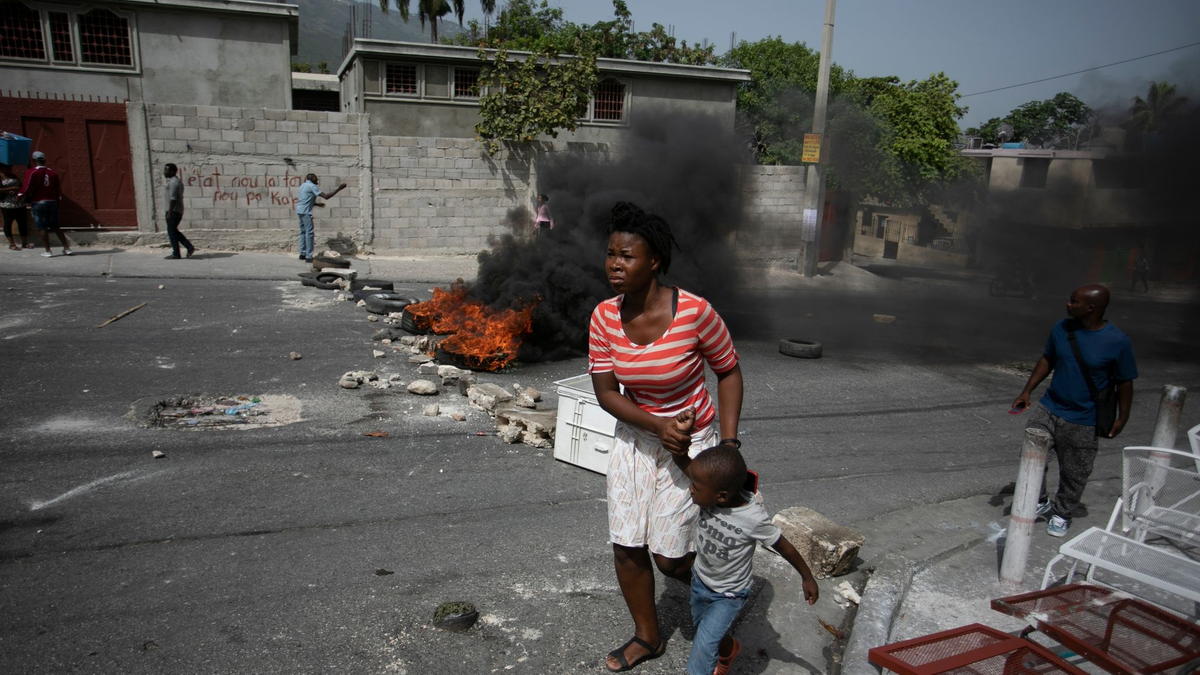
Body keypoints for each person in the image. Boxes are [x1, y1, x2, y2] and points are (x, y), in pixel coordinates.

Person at [588, 201, 744, 672]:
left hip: (693, 445)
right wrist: (655, 425)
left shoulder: (695, 312)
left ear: (653, 261)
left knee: (669, 557)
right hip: (637, 438)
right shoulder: (603, 317)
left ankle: (721, 598)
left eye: (627, 256)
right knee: (627, 544)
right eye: (611, 254)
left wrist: (729, 446)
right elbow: (604, 391)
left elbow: (730, 371)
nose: (615, 264)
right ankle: (648, 637)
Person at [667, 433, 818, 675]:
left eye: (695, 487)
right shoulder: (712, 488)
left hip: (728, 595)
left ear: (722, 496)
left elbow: (784, 546)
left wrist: (807, 577)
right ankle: (728, 651)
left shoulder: (753, 518)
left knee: (703, 647)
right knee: (706, 631)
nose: (690, 490)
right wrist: (677, 445)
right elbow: (685, 464)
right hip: (699, 581)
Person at [1012, 284, 1137, 538]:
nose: (1068, 304)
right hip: (1049, 407)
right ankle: (1039, 499)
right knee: (1031, 457)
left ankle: (1062, 512)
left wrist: (1122, 417)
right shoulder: (1062, 328)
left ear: (1091, 308)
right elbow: (1047, 359)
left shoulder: (1118, 341)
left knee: (1075, 472)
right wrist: (1027, 391)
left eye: (1074, 301)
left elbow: (1125, 381)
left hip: (1084, 419)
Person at [17, 151, 72, 257]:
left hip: (38, 202)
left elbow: (27, 186)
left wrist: (19, 196)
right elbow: (58, 190)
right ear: (44, 160)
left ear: (34, 160)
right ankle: (66, 248)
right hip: (52, 202)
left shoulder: (31, 172)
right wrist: (57, 201)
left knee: (41, 227)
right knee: (56, 226)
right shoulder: (53, 173)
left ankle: (48, 250)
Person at [295, 173, 346, 263]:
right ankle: (309, 256)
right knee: (309, 233)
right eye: (316, 179)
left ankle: (302, 254)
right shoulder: (312, 186)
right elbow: (326, 197)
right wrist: (339, 189)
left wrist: (317, 204)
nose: (317, 181)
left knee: (303, 232)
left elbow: (305, 199)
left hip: (300, 211)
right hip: (306, 212)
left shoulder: (303, 185)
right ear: (312, 178)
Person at [162, 163, 195, 259]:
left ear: (172, 171)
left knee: (171, 232)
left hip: (174, 211)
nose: (165, 172)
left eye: (166, 170)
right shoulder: (175, 182)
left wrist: (169, 213)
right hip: (175, 211)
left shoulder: (174, 183)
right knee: (173, 231)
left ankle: (176, 253)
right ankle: (189, 247)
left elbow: (173, 198)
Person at [0, 163, 32, 250]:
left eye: (11, 167)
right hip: (7, 204)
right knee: (8, 223)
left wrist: (19, 191)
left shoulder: (13, 176)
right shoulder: (1, 177)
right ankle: (11, 244)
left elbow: (20, 186)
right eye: (8, 167)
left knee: (22, 222)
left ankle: (24, 242)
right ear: (2, 168)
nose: (10, 169)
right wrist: (12, 188)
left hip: (18, 203)